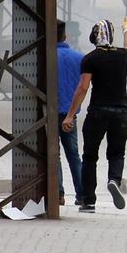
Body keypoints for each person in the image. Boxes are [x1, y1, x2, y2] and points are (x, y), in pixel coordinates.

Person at [62, 18, 127, 213]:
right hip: (121, 112)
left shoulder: (91, 58)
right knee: (117, 153)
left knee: (90, 157)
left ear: (95, 36)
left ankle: (89, 201)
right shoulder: (122, 56)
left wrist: (70, 115)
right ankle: (114, 180)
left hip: (97, 112)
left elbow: (83, 87)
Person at [56, 20, 84, 206]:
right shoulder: (79, 58)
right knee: (74, 155)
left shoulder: (45, 56)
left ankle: (58, 194)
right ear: (65, 36)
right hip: (70, 114)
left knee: (53, 154)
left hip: (48, 114)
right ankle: (82, 195)